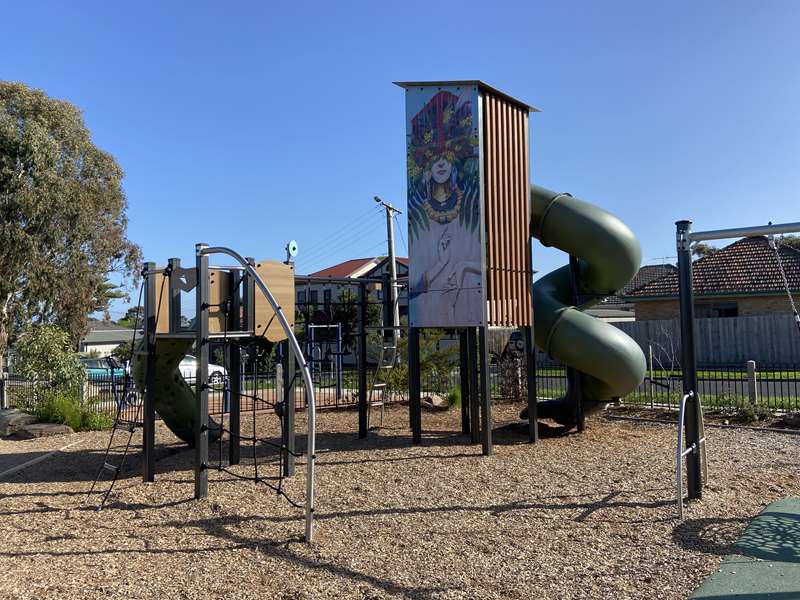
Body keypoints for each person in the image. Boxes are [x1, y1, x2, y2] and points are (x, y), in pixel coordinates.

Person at [407, 89, 482, 325]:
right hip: (432, 309)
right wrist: (441, 264)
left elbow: (498, 264)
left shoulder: (471, 205)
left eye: (446, 157)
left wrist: (462, 266)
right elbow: (414, 288)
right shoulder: (417, 214)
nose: (441, 163)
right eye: (433, 157)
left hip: (471, 303)